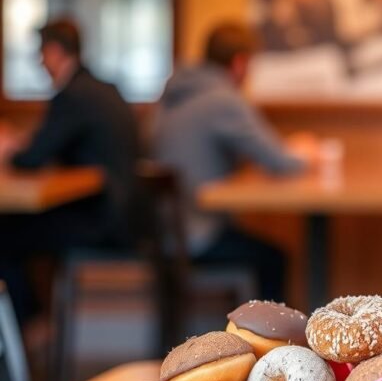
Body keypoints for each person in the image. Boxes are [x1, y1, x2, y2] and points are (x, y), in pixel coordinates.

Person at [150, 22, 313, 302]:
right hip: (198, 236)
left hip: (163, 234)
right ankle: (273, 343)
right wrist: (306, 152)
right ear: (239, 63)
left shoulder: (173, 95)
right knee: (275, 259)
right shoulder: (222, 100)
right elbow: (280, 161)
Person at [0, 18, 144, 319]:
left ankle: (25, 329)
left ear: (54, 51)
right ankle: (33, 323)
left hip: (101, 222)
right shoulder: (103, 89)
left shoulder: (73, 95)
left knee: (6, 234)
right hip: (127, 216)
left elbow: (32, 159)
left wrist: (10, 150)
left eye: (41, 53)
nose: (40, 62)